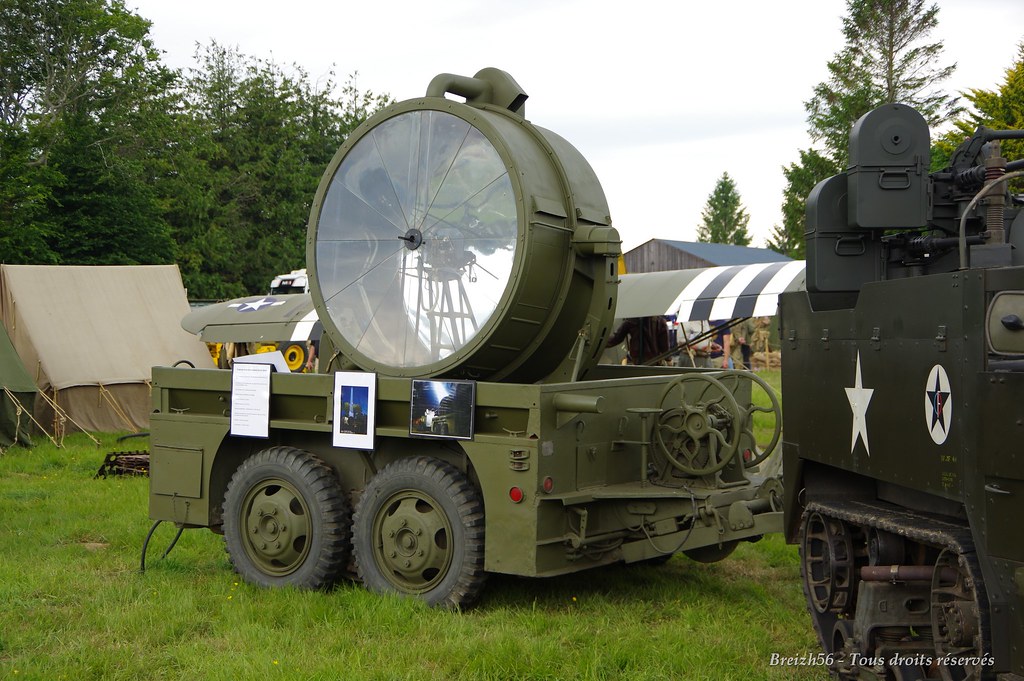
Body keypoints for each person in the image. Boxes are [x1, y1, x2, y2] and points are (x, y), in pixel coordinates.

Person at [606, 316, 670, 364]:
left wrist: (600, 343)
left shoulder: (631, 320)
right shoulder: (660, 322)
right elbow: (665, 346)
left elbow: (616, 338)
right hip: (655, 361)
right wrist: (668, 359)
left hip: (637, 361)